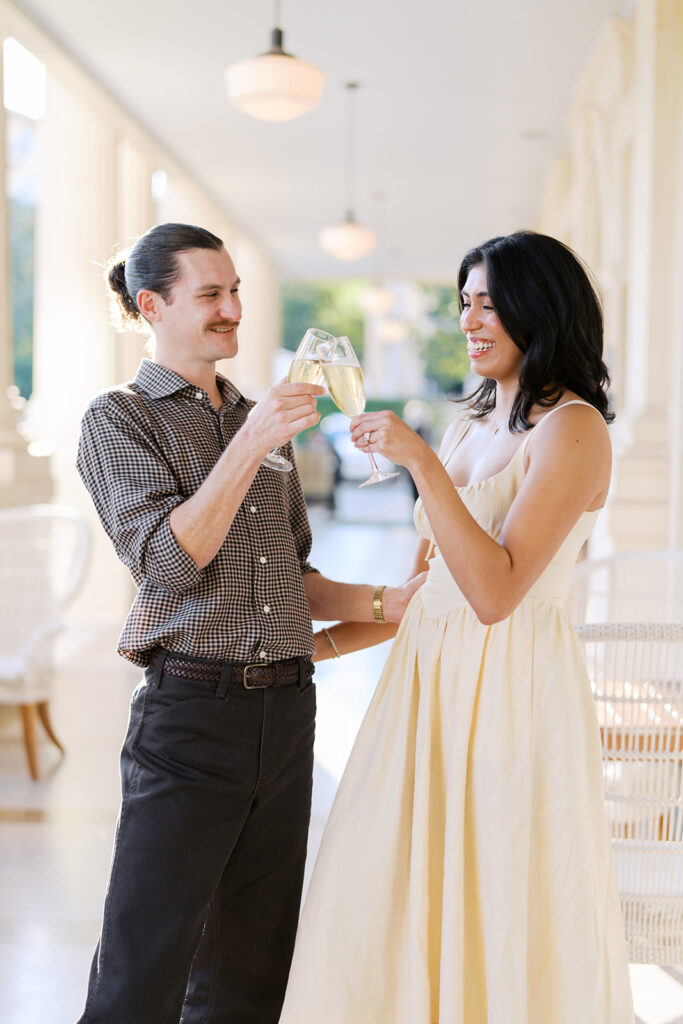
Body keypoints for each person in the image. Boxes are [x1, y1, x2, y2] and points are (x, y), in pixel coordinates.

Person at [280, 231, 634, 1023]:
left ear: (538, 309)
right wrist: (305, 650)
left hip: (511, 701)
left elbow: (494, 593)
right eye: (464, 302)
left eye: (488, 302)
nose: (471, 320)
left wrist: (419, 464)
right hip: (423, 697)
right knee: (384, 891)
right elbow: (420, 595)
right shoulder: (467, 427)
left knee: (499, 896)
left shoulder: (574, 431)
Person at [75, 222, 421, 1024]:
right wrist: (252, 442)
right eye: (211, 294)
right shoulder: (118, 420)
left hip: (286, 715)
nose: (232, 308)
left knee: (253, 972)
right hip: (191, 718)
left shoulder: (255, 417)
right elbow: (165, 563)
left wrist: (385, 604)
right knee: (144, 965)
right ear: (151, 305)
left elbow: (292, 579)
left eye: (236, 291)